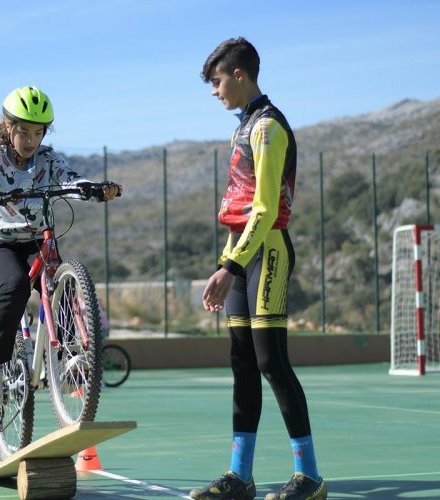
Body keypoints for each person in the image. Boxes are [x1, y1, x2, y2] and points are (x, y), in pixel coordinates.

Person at [191, 38, 326, 500]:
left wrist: (229, 266)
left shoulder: (268, 127)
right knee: (242, 363)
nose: (215, 91)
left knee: (272, 361)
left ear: (240, 75)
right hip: (239, 253)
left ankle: (309, 476)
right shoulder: (243, 125)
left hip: (266, 251)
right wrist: (227, 262)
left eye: (218, 81)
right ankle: (239, 476)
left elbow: (265, 209)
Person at [0, 86, 121, 407]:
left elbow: (69, 179)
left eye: (38, 132)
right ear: (9, 128)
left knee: (58, 279)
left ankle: (69, 354)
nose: (31, 140)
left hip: (36, 239)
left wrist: (93, 189)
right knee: (17, 285)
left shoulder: (47, 159)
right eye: (24, 131)